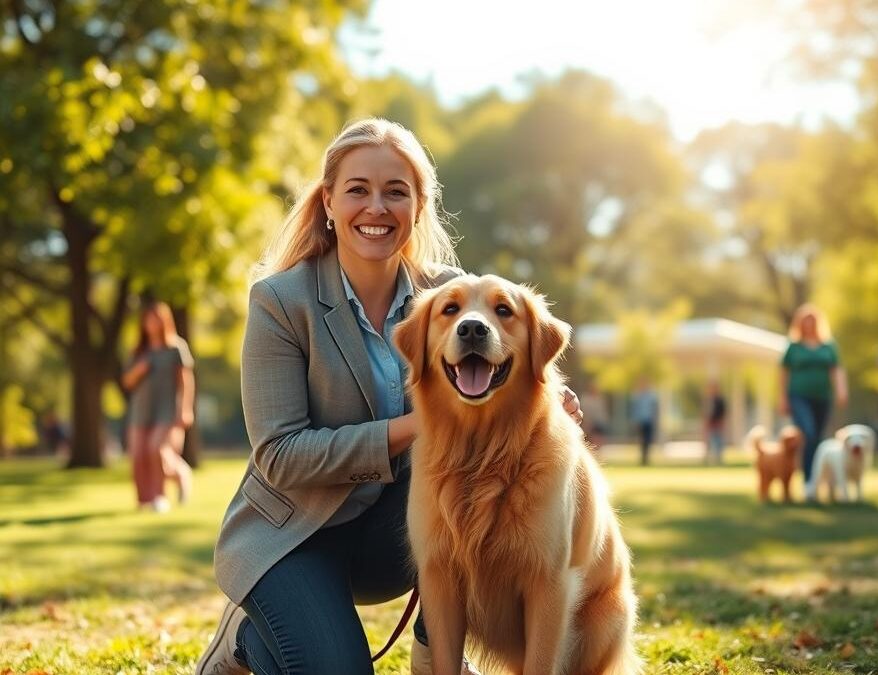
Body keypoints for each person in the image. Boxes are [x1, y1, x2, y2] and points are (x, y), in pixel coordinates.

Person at [195, 118, 582, 675]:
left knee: (484, 476)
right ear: (329, 201)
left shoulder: (451, 294)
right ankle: (244, 640)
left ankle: (436, 654)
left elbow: (511, 370)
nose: (376, 207)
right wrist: (418, 427)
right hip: (292, 537)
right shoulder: (281, 301)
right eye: (358, 190)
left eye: (395, 192)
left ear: (418, 207)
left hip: (397, 537)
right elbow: (279, 457)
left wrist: (552, 409)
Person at [121, 301, 196, 512]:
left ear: (164, 321)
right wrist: (139, 370)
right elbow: (126, 382)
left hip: (166, 410)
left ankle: (160, 495)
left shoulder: (176, 348)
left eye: (155, 319)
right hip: (140, 410)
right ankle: (143, 501)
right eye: (147, 319)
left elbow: (186, 381)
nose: (151, 323)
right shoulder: (138, 351)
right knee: (138, 454)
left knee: (156, 449)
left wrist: (185, 408)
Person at [779, 303, 847, 487]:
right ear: (799, 323)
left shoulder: (828, 346)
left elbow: (836, 369)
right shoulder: (793, 346)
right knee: (807, 433)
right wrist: (783, 398)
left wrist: (841, 390)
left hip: (823, 397)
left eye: (812, 320)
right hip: (798, 396)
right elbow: (784, 372)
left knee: (818, 437)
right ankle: (808, 480)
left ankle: (816, 479)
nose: (809, 324)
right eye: (805, 320)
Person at [629, 377, 659, 465]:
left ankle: (647, 458)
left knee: (648, 439)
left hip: (649, 420)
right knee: (642, 440)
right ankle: (642, 458)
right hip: (640, 420)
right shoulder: (636, 396)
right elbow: (635, 409)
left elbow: (654, 408)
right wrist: (634, 420)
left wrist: (655, 419)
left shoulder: (651, 396)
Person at [580, 381, 611, 450]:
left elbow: (602, 411)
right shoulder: (586, 399)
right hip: (589, 422)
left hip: (599, 421)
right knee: (591, 437)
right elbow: (585, 410)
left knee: (599, 437)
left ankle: (598, 450)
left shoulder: (600, 399)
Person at [702, 380, 726, 465]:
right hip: (710, 426)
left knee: (718, 443)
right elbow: (705, 414)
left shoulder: (720, 401)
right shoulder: (708, 400)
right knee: (709, 443)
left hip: (717, 425)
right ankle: (709, 460)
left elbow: (723, 414)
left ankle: (718, 460)